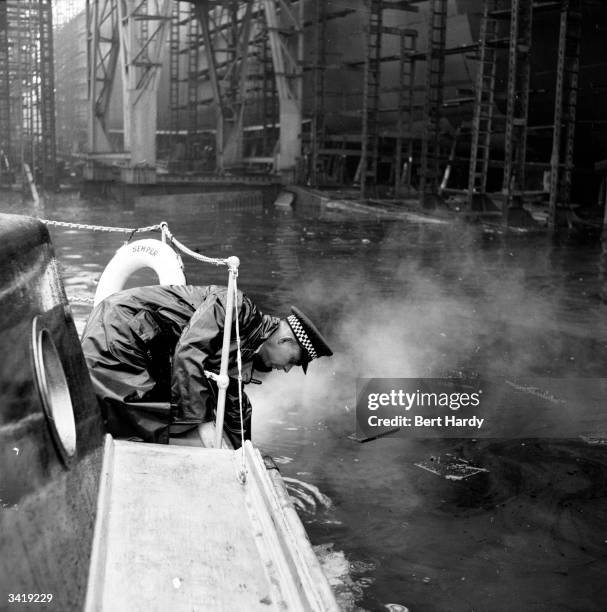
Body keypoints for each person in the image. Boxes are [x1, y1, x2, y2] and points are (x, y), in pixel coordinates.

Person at [81, 285, 333, 447]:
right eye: (293, 361)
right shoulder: (234, 305)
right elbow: (189, 352)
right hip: (119, 331)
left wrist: (244, 450)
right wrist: (202, 426)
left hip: (145, 343)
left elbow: (234, 401)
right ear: (286, 340)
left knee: (159, 418)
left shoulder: (247, 344)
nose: (287, 369)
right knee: (139, 419)